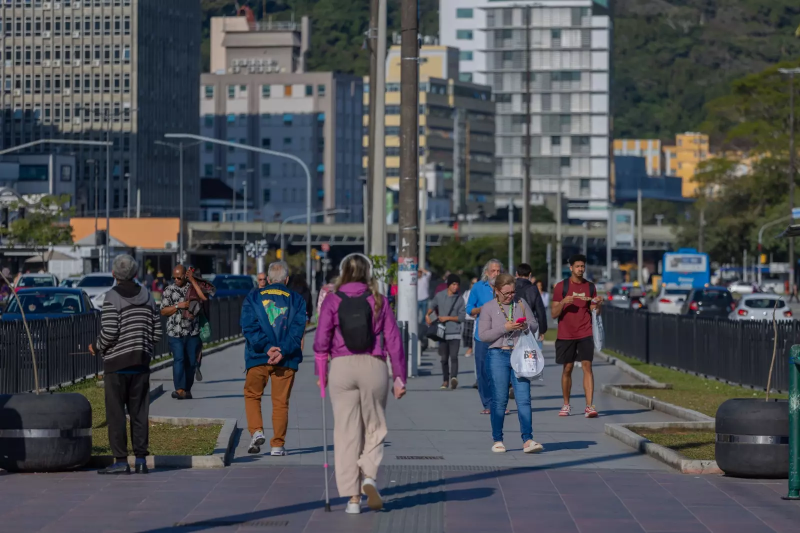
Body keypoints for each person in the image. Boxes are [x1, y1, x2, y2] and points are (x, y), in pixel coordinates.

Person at [314, 253, 407, 515]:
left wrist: (321, 373)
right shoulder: (378, 299)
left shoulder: (332, 299)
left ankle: (352, 499)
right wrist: (399, 377)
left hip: (341, 368)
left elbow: (321, 341)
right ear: (368, 272)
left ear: (343, 271)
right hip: (373, 365)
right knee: (374, 426)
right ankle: (369, 475)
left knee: (345, 433)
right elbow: (394, 341)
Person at [90, 255, 162, 474]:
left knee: (116, 415)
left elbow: (110, 331)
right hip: (140, 362)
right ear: (136, 274)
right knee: (140, 413)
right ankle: (141, 459)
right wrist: (144, 345)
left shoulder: (112, 297)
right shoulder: (148, 296)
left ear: (114, 275)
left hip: (116, 365)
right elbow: (157, 333)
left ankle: (120, 461)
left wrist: (97, 346)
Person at [240, 261, 307, 456]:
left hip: (258, 356)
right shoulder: (297, 300)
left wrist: (267, 348)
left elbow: (249, 327)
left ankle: (257, 431)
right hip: (285, 360)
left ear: (268, 280)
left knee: (252, 395)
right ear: (286, 279)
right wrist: (281, 351)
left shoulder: (253, 297)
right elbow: (297, 332)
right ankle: (277, 445)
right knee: (280, 402)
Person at [478, 272, 542, 454]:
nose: (510, 296)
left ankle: (528, 439)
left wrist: (525, 326)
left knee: (524, 398)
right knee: (500, 399)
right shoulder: (489, 308)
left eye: (512, 292)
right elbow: (483, 335)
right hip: (498, 354)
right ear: (497, 291)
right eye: (506, 293)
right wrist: (504, 328)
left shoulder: (520, 304)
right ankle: (497, 439)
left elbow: (534, 324)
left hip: (520, 354)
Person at [552, 254, 602, 418]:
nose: (581, 269)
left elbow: (594, 310)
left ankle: (589, 406)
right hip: (566, 334)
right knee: (567, 368)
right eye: (578, 266)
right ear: (571, 268)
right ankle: (566, 404)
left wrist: (597, 305)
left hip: (585, 332)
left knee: (587, 367)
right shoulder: (561, 287)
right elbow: (553, 313)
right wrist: (564, 301)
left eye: (583, 266)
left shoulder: (590, 287)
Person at [160, 265, 208, 400]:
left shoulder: (192, 288)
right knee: (179, 359)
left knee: (191, 362)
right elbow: (163, 311)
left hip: (192, 332)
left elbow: (204, 298)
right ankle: (179, 389)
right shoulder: (169, 290)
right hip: (175, 332)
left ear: (185, 276)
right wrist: (177, 306)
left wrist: (193, 281)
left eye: (179, 277)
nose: (176, 280)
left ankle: (187, 389)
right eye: (173, 277)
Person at [466, 259, 504, 415]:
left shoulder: (505, 287)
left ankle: (499, 404)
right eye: (493, 271)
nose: (496, 273)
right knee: (483, 371)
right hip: (482, 335)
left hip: (501, 335)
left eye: (498, 271)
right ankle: (488, 404)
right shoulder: (478, 287)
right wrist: (481, 309)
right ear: (486, 273)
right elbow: (469, 309)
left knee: (499, 371)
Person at [426, 274, 466, 390]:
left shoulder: (460, 299)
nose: (455, 287)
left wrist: (448, 318)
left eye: (457, 285)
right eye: (453, 284)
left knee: (453, 357)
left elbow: (462, 317)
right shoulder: (440, 296)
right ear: (449, 285)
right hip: (442, 332)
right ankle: (445, 380)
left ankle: (453, 378)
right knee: (444, 358)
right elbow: (432, 306)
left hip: (455, 332)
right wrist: (427, 315)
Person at [514, 263, 548, 342]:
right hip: (527, 325)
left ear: (516, 274)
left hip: (512, 324)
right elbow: (540, 311)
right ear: (530, 274)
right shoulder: (533, 289)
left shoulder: (511, 287)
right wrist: (542, 330)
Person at [462, 277, 478, 358]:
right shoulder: (466, 293)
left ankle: (472, 349)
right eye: (472, 283)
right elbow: (464, 304)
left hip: (477, 318)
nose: (474, 285)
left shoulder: (480, 293)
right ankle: (469, 348)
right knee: (466, 334)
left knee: (475, 335)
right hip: (468, 317)